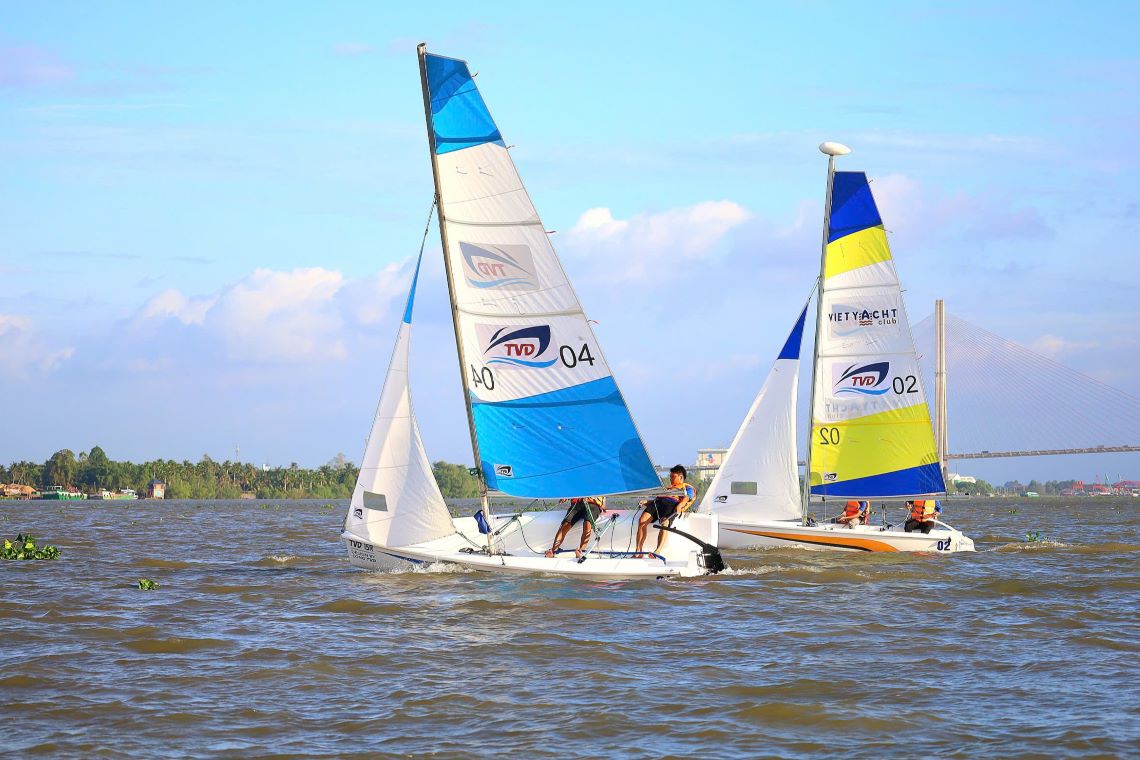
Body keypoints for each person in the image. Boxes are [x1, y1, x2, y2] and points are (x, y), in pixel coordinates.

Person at [635, 465, 696, 557]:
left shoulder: (687, 487)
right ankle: (638, 551)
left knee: (664, 523)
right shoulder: (668, 488)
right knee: (642, 521)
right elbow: (659, 498)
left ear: (680, 477)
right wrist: (647, 502)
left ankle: (657, 551)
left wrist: (680, 505)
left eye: (673, 477)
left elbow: (688, 497)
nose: (671, 479)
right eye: (670, 476)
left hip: (671, 505)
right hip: (657, 503)